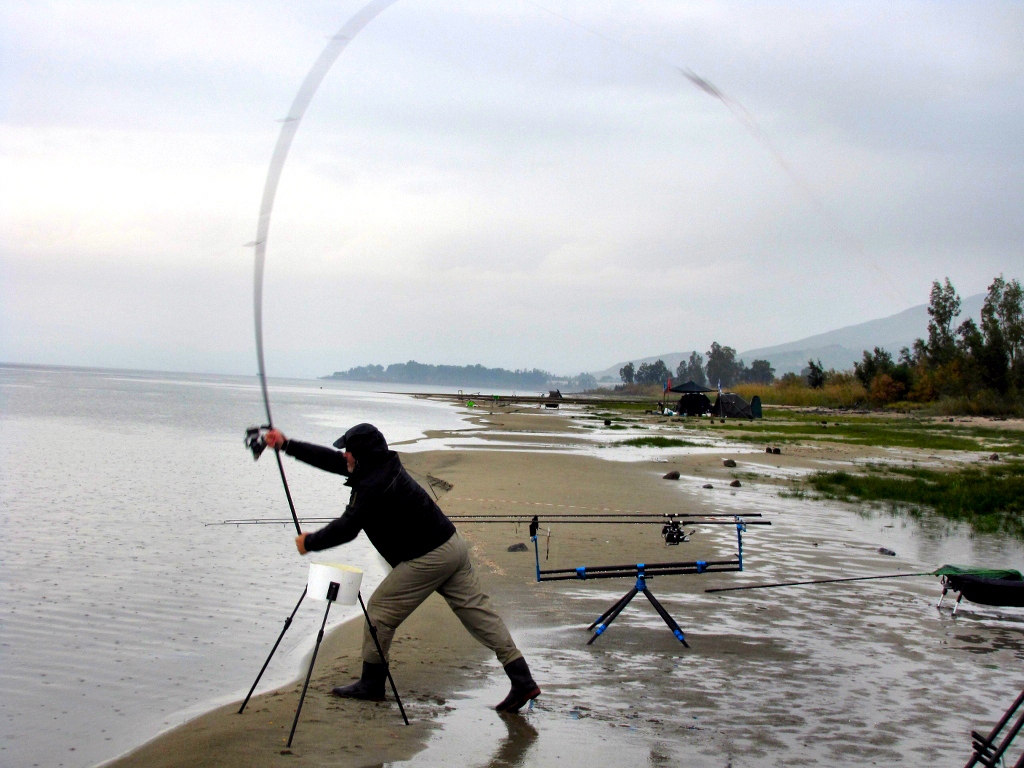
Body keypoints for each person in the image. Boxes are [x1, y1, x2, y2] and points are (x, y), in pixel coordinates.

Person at [263, 422, 540, 713]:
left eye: (349, 450)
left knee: (380, 612)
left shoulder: (372, 484)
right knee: (479, 615)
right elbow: (334, 461)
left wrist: (310, 542)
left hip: (428, 556)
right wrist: (286, 445)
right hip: (452, 545)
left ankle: (371, 684)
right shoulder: (377, 466)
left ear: (362, 454)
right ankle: (522, 679)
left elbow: (347, 528)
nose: (344, 454)